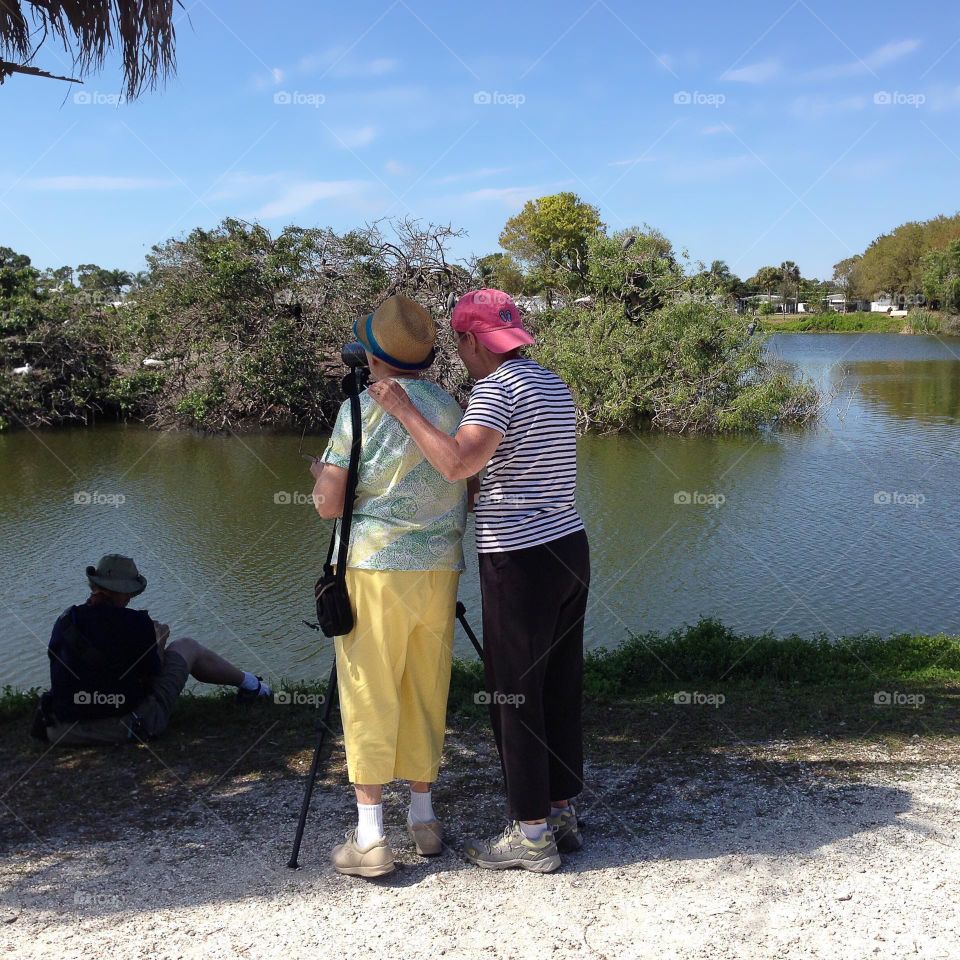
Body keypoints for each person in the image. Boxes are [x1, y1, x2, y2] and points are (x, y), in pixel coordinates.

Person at [369, 288, 590, 873]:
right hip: (569, 546)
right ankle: (561, 809)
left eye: (461, 343)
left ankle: (533, 835)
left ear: (470, 340)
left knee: (514, 695)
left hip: (520, 558)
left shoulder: (495, 390)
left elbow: (458, 463)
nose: (462, 355)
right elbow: (508, 467)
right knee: (557, 684)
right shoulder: (550, 383)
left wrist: (402, 409)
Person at [309, 294, 468, 878]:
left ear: (371, 356)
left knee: (369, 688)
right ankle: (423, 820)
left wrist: (320, 476)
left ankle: (372, 837)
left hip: (374, 570)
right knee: (425, 684)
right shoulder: (451, 406)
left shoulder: (357, 411)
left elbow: (329, 505)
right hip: (438, 569)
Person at [34, 554, 271, 746]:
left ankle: (254, 687)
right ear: (122, 590)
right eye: (129, 591)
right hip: (125, 728)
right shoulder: (135, 622)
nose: (130, 597)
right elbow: (152, 674)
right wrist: (158, 641)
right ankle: (254, 687)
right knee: (187, 646)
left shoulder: (65, 620)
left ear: (94, 585)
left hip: (62, 730)